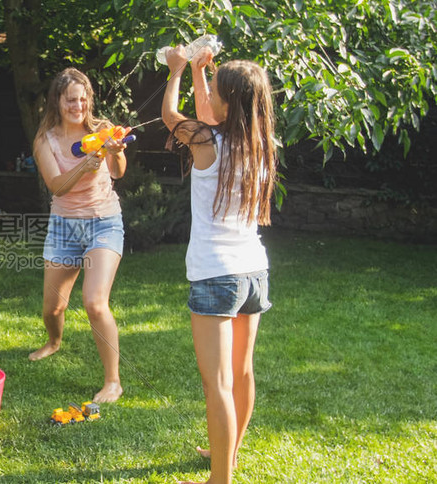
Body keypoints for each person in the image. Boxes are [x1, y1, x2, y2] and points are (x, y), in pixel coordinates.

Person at [161, 45, 278, 484]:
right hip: (254, 272)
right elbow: (206, 112)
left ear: (228, 100)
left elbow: (172, 114)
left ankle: (220, 478)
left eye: (216, 91)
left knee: (218, 384)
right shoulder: (260, 146)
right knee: (242, 373)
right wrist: (198, 70)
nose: (211, 99)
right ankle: (226, 453)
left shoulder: (208, 142)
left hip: (216, 274)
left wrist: (176, 71)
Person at [28, 67, 128, 403]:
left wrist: (115, 152)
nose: (79, 105)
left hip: (104, 221)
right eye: (72, 99)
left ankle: (113, 381)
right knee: (53, 308)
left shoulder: (101, 130)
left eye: (84, 99)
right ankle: (54, 342)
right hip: (64, 226)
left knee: (95, 302)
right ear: (58, 101)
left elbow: (117, 173)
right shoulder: (46, 140)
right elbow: (56, 186)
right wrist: (85, 165)